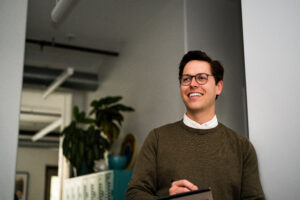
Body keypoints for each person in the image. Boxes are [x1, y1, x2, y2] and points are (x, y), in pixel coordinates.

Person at [125, 50, 265, 200]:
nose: (192, 84)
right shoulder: (157, 139)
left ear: (218, 86)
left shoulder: (242, 147)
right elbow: (134, 194)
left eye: (201, 78)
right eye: (186, 79)